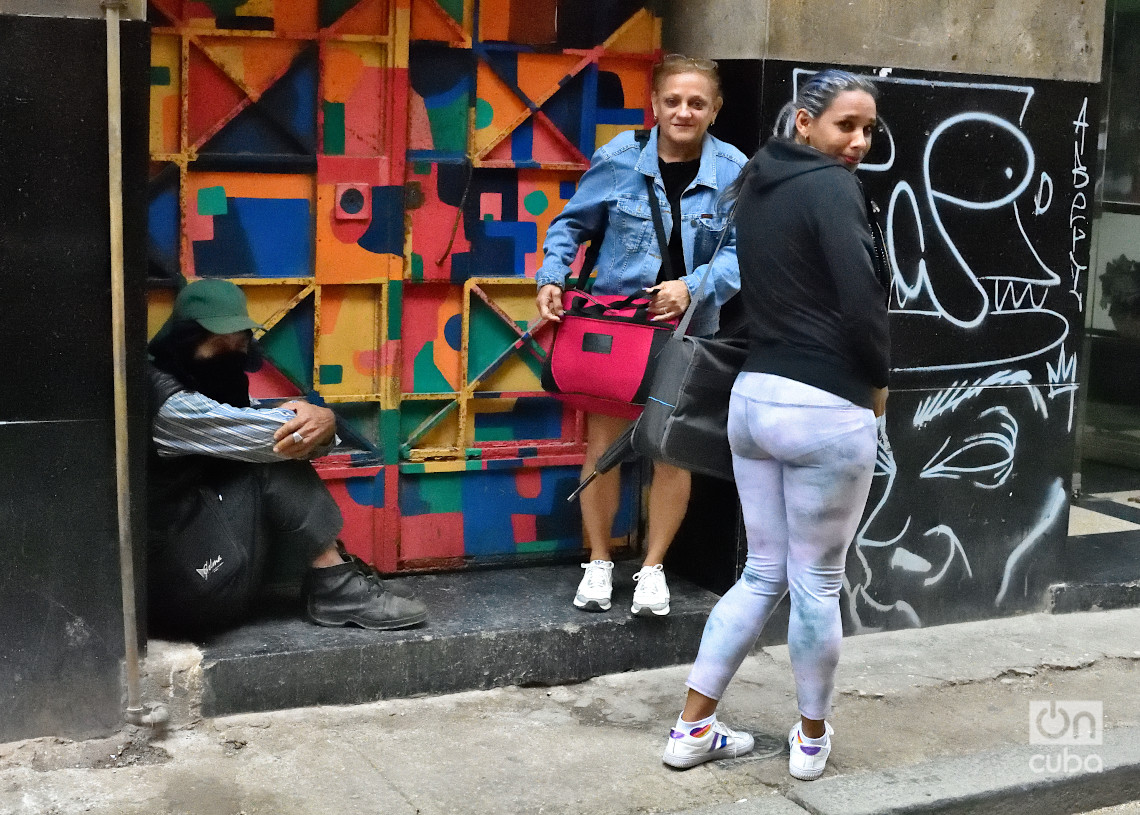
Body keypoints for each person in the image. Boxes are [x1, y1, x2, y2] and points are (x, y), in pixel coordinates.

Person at [661, 70, 890, 780]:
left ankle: (691, 727)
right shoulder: (833, 187)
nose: (857, 141)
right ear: (804, 123)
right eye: (845, 125)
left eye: (868, 130)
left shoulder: (755, 182)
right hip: (825, 405)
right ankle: (812, 738)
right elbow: (861, 303)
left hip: (753, 400)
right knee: (818, 581)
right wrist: (879, 391)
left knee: (761, 572)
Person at [535, 54, 746, 617]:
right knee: (603, 445)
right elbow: (571, 225)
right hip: (616, 328)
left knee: (670, 451)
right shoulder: (619, 158)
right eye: (673, 100)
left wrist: (694, 287)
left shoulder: (733, 170)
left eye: (697, 103)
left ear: (715, 110)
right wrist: (552, 275)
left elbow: (742, 253)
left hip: (686, 333)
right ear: (654, 104)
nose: (684, 111)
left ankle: (652, 570)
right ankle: (599, 562)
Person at [146, 279, 428, 637]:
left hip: (200, 567)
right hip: (181, 588)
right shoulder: (168, 402)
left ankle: (332, 574)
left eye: (239, 345)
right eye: (219, 346)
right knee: (272, 455)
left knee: (274, 443)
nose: (231, 357)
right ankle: (335, 587)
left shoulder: (206, 385)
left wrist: (313, 422)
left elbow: (254, 421)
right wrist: (322, 419)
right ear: (185, 342)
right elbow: (274, 436)